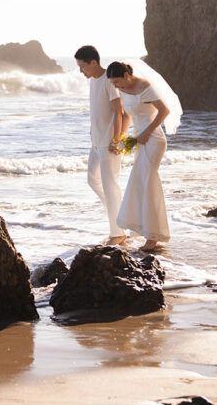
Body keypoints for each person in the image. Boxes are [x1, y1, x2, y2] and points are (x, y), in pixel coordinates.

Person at [105, 60, 182, 252]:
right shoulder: (123, 89)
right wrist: (121, 139)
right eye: (113, 84)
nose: (116, 86)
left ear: (126, 75)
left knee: (148, 182)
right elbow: (128, 116)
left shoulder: (145, 86)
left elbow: (164, 111)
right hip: (138, 139)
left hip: (154, 139)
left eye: (117, 82)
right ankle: (145, 230)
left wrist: (147, 132)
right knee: (139, 183)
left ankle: (154, 236)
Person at [74, 45, 126, 245]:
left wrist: (116, 140)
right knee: (92, 180)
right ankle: (119, 218)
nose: (81, 71)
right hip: (95, 142)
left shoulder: (108, 81)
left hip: (108, 143)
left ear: (93, 63)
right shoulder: (93, 81)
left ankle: (118, 232)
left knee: (109, 185)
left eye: (82, 66)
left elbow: (118, 112)